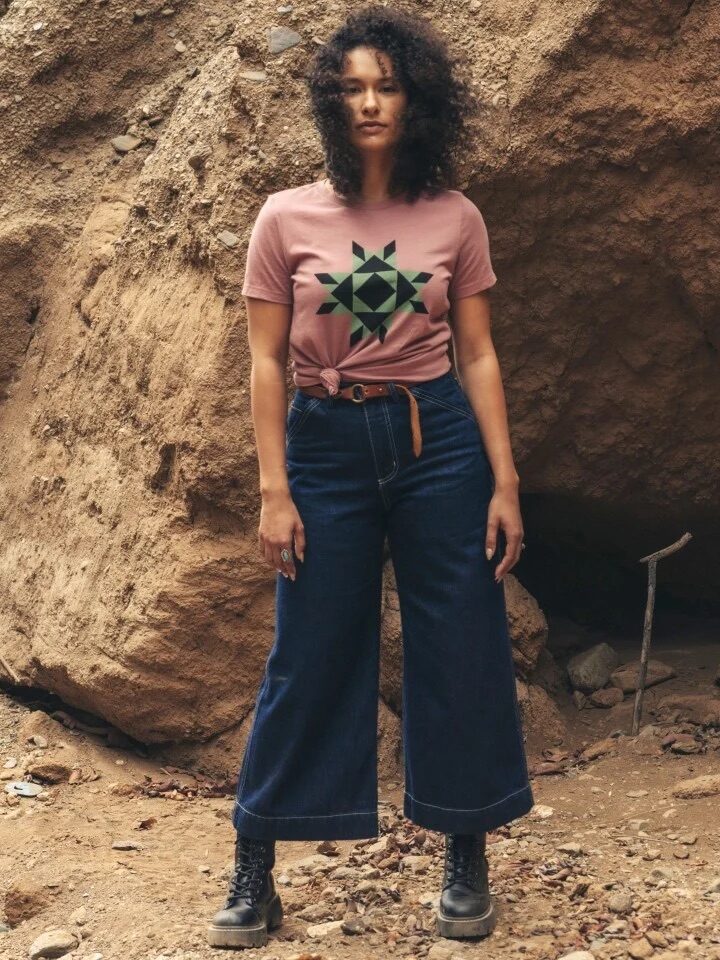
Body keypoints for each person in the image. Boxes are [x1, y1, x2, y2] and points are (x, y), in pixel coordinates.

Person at [207, 5, 534, 950]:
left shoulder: (455, 217)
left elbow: (478, 354)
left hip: (439, 444)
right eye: (351, 88)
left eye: (386, 85)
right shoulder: (285, 216)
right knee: (307, 651)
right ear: (329, 103)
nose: (370, 103)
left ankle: (465, 853)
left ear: (416, 97)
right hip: (325, 442)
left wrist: (504, 479)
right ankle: (254, 869)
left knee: (462, 641)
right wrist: (275, 488)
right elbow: (265, 361)